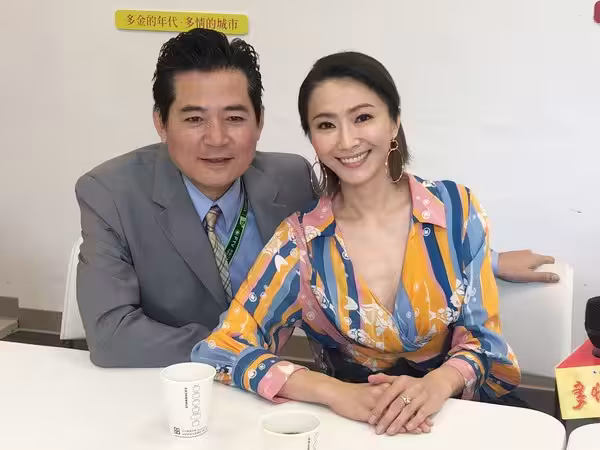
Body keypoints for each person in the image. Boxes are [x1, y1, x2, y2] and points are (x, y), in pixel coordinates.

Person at [76, 28, 556, 369]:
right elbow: (112, 337)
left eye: (235, 118)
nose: (217, 138)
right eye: (194, 118)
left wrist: (485, 257)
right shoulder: (110, 193)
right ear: (161, 123)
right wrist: (239, 350)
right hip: (176, 383)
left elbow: (364, 228)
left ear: (260, 122)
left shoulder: (288, 177)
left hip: (286, 393)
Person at [191, 51, 521, 436]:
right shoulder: (301, 244)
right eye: (326, 124)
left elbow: (484, 339)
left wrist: (438, 384)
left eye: (362, 117)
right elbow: (219, 350)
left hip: (457, 421)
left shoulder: (456, 209)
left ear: (394, 121)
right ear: (313, 139)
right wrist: (332, 392)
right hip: (357, 430)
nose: (347, 141)